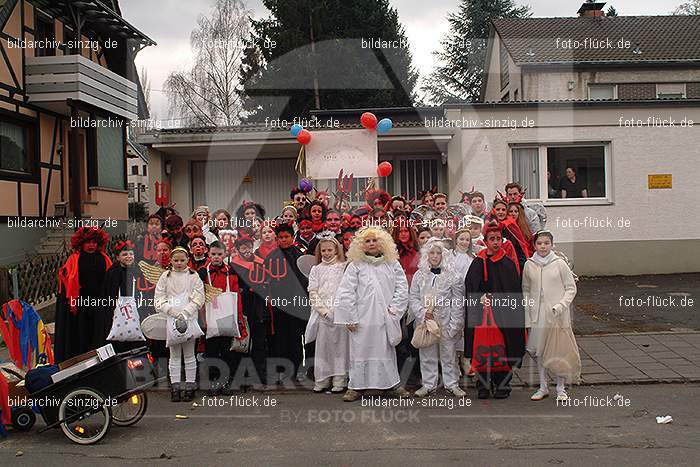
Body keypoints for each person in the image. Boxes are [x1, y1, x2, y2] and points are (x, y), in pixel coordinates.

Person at [334, 227, 410, 402]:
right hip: (362, 319)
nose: (371, 243)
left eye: (374, 240)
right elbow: (346, 292)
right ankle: (356, 387)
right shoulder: (355, 266)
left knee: (385, 351)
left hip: (385, 317)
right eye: (367, 241)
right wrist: (349, 317)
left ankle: (391, 385)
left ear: (382, 242)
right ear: (361, 245)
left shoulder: (392, 264)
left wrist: (395, 310)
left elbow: (401, 288)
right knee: (359, 352)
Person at [464, 223, 526, 399]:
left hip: (502, 316)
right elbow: (470, 287)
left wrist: (496, 299)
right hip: (482, 316)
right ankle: (483, 384)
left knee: (502, 349)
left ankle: (502, 384)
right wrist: (481, 296)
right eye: (492, 239)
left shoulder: (507, 264)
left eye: (498, 239)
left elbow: (513, 292)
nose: (496, 243)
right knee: (482, 349)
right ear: (485, 241)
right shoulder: (478, 262)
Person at [522, 231, 579, 402]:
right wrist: (528, 313)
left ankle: (561, 388)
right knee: (540, 351)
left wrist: (561, 306)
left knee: (558, 350)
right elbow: (525, 289)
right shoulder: (529, 264)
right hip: (537, 315)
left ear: (552, 244)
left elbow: (571, 288)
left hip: (556, 315)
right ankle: (543, 386)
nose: (543, 246)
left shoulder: (560, 264)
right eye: (539, 243)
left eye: (546, 243)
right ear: (535, 245)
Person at [410, 238, 466, 397]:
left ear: (444, 255)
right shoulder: (420, 275)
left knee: (449, 353)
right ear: (426, 255)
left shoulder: (453, 276)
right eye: (431, 253)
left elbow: (458, 301)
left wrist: (456, 323)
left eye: (438, 253)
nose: (435, 256)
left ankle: (452, 383)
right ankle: (428, 384)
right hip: (427, 320)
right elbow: (413, 297)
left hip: (446, 320)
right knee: (427, 352)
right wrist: (422, 313)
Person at [154, 246, 205, 402]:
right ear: (170, 260)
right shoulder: (165, 276)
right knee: (174, 355)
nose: (179, 263)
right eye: (176, 260)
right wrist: (172, 312)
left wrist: (186, 313)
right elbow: (159, 298)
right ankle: (175, 387)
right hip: (172, 318)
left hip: (189, 318)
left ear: (187, 260)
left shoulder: (193, 275)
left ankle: (190, 387)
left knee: (189, 354)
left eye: (182, 260)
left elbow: (199, 297)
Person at [55, 227, 112, 363]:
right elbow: (66, 282)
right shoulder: (73, 259)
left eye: (94, 242)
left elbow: (110, 280)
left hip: (99, 303)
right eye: (88, 242)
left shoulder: (104, 258)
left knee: (97, 334)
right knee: (81, 334)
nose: (91, 245)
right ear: (81, 243)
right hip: (80, 305)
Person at [198, 241, 247, 395]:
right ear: (208, 254)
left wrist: (238, 318)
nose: (216, 257)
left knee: (227, 351)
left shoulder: (231, 272)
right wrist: (202, 320)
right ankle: (213, 382)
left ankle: (226, 381)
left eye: (219, 254)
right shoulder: (202, 272)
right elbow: (199, 297)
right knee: (211, 351)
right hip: (209, 317)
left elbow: (236, 296)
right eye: (213, 254)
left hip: (227, 317)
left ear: (225, 255)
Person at [265, 222, 310, 384]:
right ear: (276, 239)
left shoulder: (299, 255)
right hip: (279, 306)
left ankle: (297, 369)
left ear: (292, 237)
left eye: (286, 237)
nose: (283, 240)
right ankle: (280, 371)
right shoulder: (271, 257)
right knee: (279, 339)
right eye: (280, 238)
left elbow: (306, 279)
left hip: (297, 304)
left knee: (296, 339)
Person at [305, 237, 349, 393]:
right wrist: (323, 310)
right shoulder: (316, 269)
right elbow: (313, 291)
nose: (327, 253)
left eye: (330, 250)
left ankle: (339, 379)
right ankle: (322, 379)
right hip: (323, 314)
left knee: (341, 347)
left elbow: (346, 290)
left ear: (336, 250)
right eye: (324, 250)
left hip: (340, 313)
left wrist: (338, 309)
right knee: (323, 347)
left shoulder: (343, 267)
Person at [229, 234, 271, 390]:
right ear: (238, 249)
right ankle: (241, 379)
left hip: (258, 307)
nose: (246, 250)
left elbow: (268, 283)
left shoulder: (261, 263)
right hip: (242, 307)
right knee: (241, 345)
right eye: (243, 247)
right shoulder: (233, 265)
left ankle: (260, 378)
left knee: (259, 344)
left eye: (248, 246)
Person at [100, 240, 144, 354]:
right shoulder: (112, 273)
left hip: (136, 311)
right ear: (118, 257)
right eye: (124, 254)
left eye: (131, 254)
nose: (129, 257)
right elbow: (108, 295)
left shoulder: (138, 271)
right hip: (116, 313)